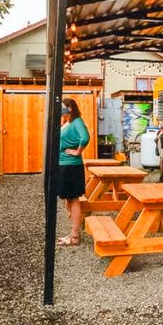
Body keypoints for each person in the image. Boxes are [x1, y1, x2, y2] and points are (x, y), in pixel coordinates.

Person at [56, 97, 90, 246]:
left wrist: (77, 152)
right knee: (68, 200)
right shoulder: (66, 122)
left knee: (73, 200)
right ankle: (72, 233)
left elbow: (85, 138)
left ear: (70, 108)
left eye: (63, 107)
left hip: (71, 166)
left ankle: (75, 237)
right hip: (63, 165)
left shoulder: (77, 122)